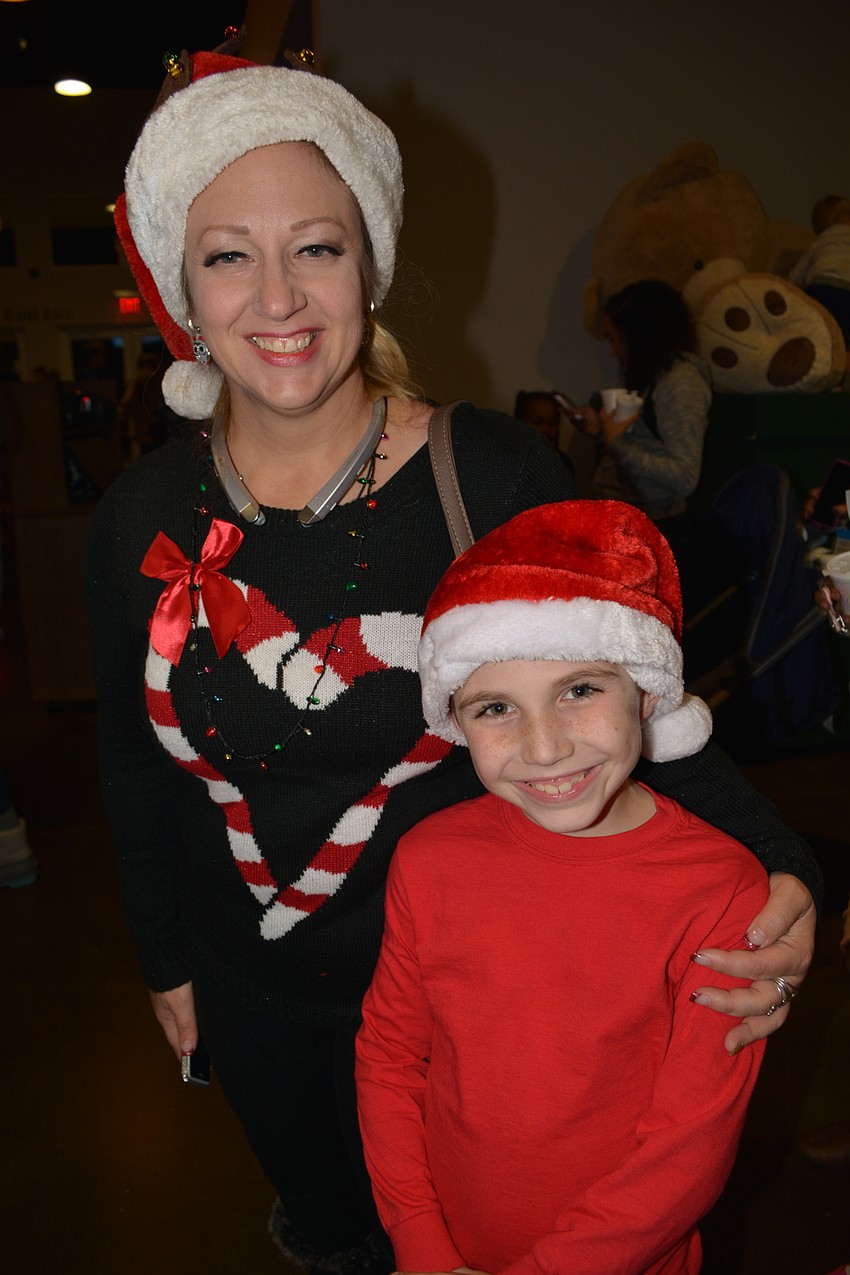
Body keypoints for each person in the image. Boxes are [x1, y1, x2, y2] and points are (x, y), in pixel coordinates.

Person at [82, 30, 820, 1275]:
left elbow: (632, 694)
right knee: (329, 1235)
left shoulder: (487, 476)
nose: (276, 299)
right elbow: (132, 758)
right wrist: (165, 961)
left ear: (367, 261)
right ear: (181, 290)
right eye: (228, 257)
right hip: (246, 981)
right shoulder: (139, 519)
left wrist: (784, 869)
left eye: (315, 247)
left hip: (478, 1001)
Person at [356, 498, 775, 1274]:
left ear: (646, 695)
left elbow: (687, 1149)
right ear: (456, 720)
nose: (544, 747)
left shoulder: (719, 891)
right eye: (496, 707)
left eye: (580, 690)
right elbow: (387, 1055)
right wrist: (419, 1241)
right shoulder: (428, 860)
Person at [576, 279, 712, 593]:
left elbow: (684, 476)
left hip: (662, 532)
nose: (613, 351)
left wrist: (617, 443)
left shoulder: (680, 384)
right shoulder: (659, 376)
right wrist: (602, 431)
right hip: (638, 527)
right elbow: (651, 443)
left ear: (639, 335)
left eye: (616, 339)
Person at [789, 195, 850, 353]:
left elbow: (794, 277)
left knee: (820, 333)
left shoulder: (818, 242)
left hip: (818, 289)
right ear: (846, 220)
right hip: (846, 289)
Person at [512, 389, 572, 472]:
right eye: (538, 422)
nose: (546, 429)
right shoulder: (511, 457)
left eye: (552, 423)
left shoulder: (563, 461)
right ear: (521, 421)